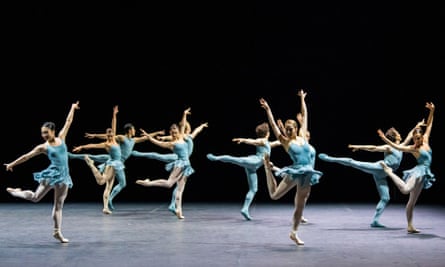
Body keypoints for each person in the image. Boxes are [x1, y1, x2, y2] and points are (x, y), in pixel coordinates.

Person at [4, 101, 80, 243]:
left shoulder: (61, 138)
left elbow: (68, 121)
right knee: (35, 198)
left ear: (53, 131)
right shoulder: (43, 147)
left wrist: (72, 108)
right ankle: (15, 192)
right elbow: (26, 156)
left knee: (58, 206)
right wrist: (11, 164)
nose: (44, 135)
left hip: (63, 177)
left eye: (46, 132)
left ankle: (57, 232)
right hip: (51, 175)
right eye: (42, 133)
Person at [317, 123, 419, 227]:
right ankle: (330, 158)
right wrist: (358, 147)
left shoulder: (400, 147)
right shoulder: (389, 147)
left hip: (382, 175)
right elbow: (373, 148)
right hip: (379, 167)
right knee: (354, 162)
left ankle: (375, 221)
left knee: (385, 198)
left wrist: (417, 126)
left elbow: (409, 136)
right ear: (395, 136)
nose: (400, 134)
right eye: (398, 133)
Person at [260, 90, 323, 246]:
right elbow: (274, 126)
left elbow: (305, 115)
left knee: (300, 205)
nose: (288, 131)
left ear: (296, 129)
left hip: (308, 174)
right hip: (295, 172)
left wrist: (302, 99)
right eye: (286, 129)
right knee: (274, 196)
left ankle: (293, 233)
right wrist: (268, 110)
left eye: (290, 128)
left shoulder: (303, 137)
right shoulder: (286, 142)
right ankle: (268, 169)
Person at [134, 108, 208, 215]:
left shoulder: (183, 137)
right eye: (172, 133)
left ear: (178, 132)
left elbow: (183, 126)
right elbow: (157, 143)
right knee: (169, 184)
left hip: (187, 165)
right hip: (180, 164)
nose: (174, 134)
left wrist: (184, 114)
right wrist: (149, 137)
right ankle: (148, 183)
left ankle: (179, 211)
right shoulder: (171, 144)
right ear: (171, 133)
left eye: (175, 132)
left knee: (180, 189)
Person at [379, 102, 435, 234]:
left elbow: (430, 124)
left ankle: (410, 226)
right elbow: (398, 147)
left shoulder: (426, 140)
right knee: (405, 190)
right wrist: (385, 140)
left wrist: (432, 111)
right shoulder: (412, 148)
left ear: (421, 136)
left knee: (412, 202)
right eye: (414, 138)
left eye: (417, 138)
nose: (416, 140)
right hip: (418, 171)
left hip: (425, 174)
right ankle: (389, 172)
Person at [206, 122, 280, 220]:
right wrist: (243, 140)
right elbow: (253, 141)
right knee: (235, 160)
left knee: (254, 189)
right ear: (268, 133)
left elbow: (279, 142)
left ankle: (245, 209)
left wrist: (288, 138)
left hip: (254, 167)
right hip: (253, 161)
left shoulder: (267, 143)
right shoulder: (262, 140)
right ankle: (216, 158)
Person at [72, 105, 124, 215]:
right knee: (101, 181)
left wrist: (114, 114)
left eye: (111, 134)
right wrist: (81, 147)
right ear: (106, 136)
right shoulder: (107, 144)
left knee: (108, 187)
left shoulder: (114, 139)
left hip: (116, 164)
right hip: (112, 164)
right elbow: (93, 145)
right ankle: (91, 164)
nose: (110, 135)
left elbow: (113, 124)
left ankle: (105, 207)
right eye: (109, 134)